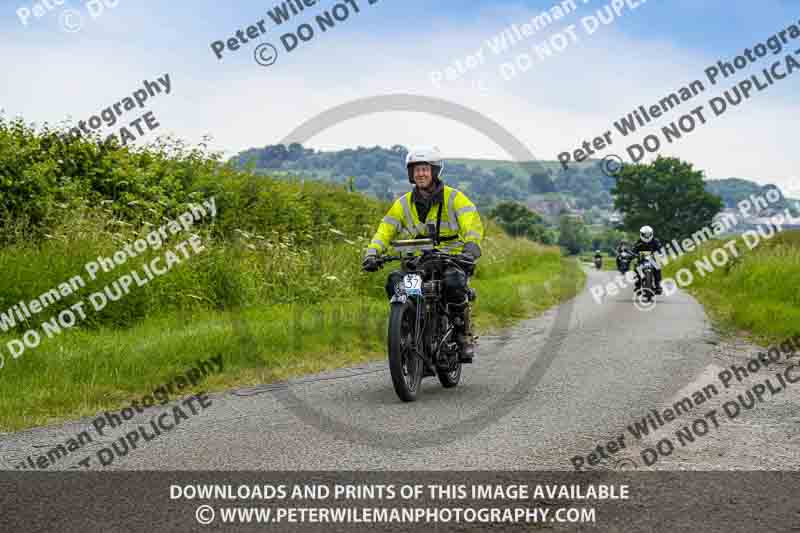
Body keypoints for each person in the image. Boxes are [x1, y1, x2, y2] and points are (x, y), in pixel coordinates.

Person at [361, 147, 484, 362]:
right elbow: (385, 230)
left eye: (425, 169)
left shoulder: (454, 198)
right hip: (418, 261)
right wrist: (372, 254)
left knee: (454, 283)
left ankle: (462, 335)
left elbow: (471, 223)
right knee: (395, 282)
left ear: (434, 172)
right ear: (411, 174)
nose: (421, 174)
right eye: (417, 169)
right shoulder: (402, 204)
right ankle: (407, 330)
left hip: (451, 257)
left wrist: (471, 247)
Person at [631, 226, 663, 294]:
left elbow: (659, 250)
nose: (647, 236)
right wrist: (633, 255)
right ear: (641, 234)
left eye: (648, 234)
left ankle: (657, 285)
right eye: (645, 234)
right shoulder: (638, 242)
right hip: (641, 260)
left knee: (658, 267)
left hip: (653, 259)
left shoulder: (655, 241)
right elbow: (633, 250)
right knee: (636, 267)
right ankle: (638, 284)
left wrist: (660, 254)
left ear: (651, 234)